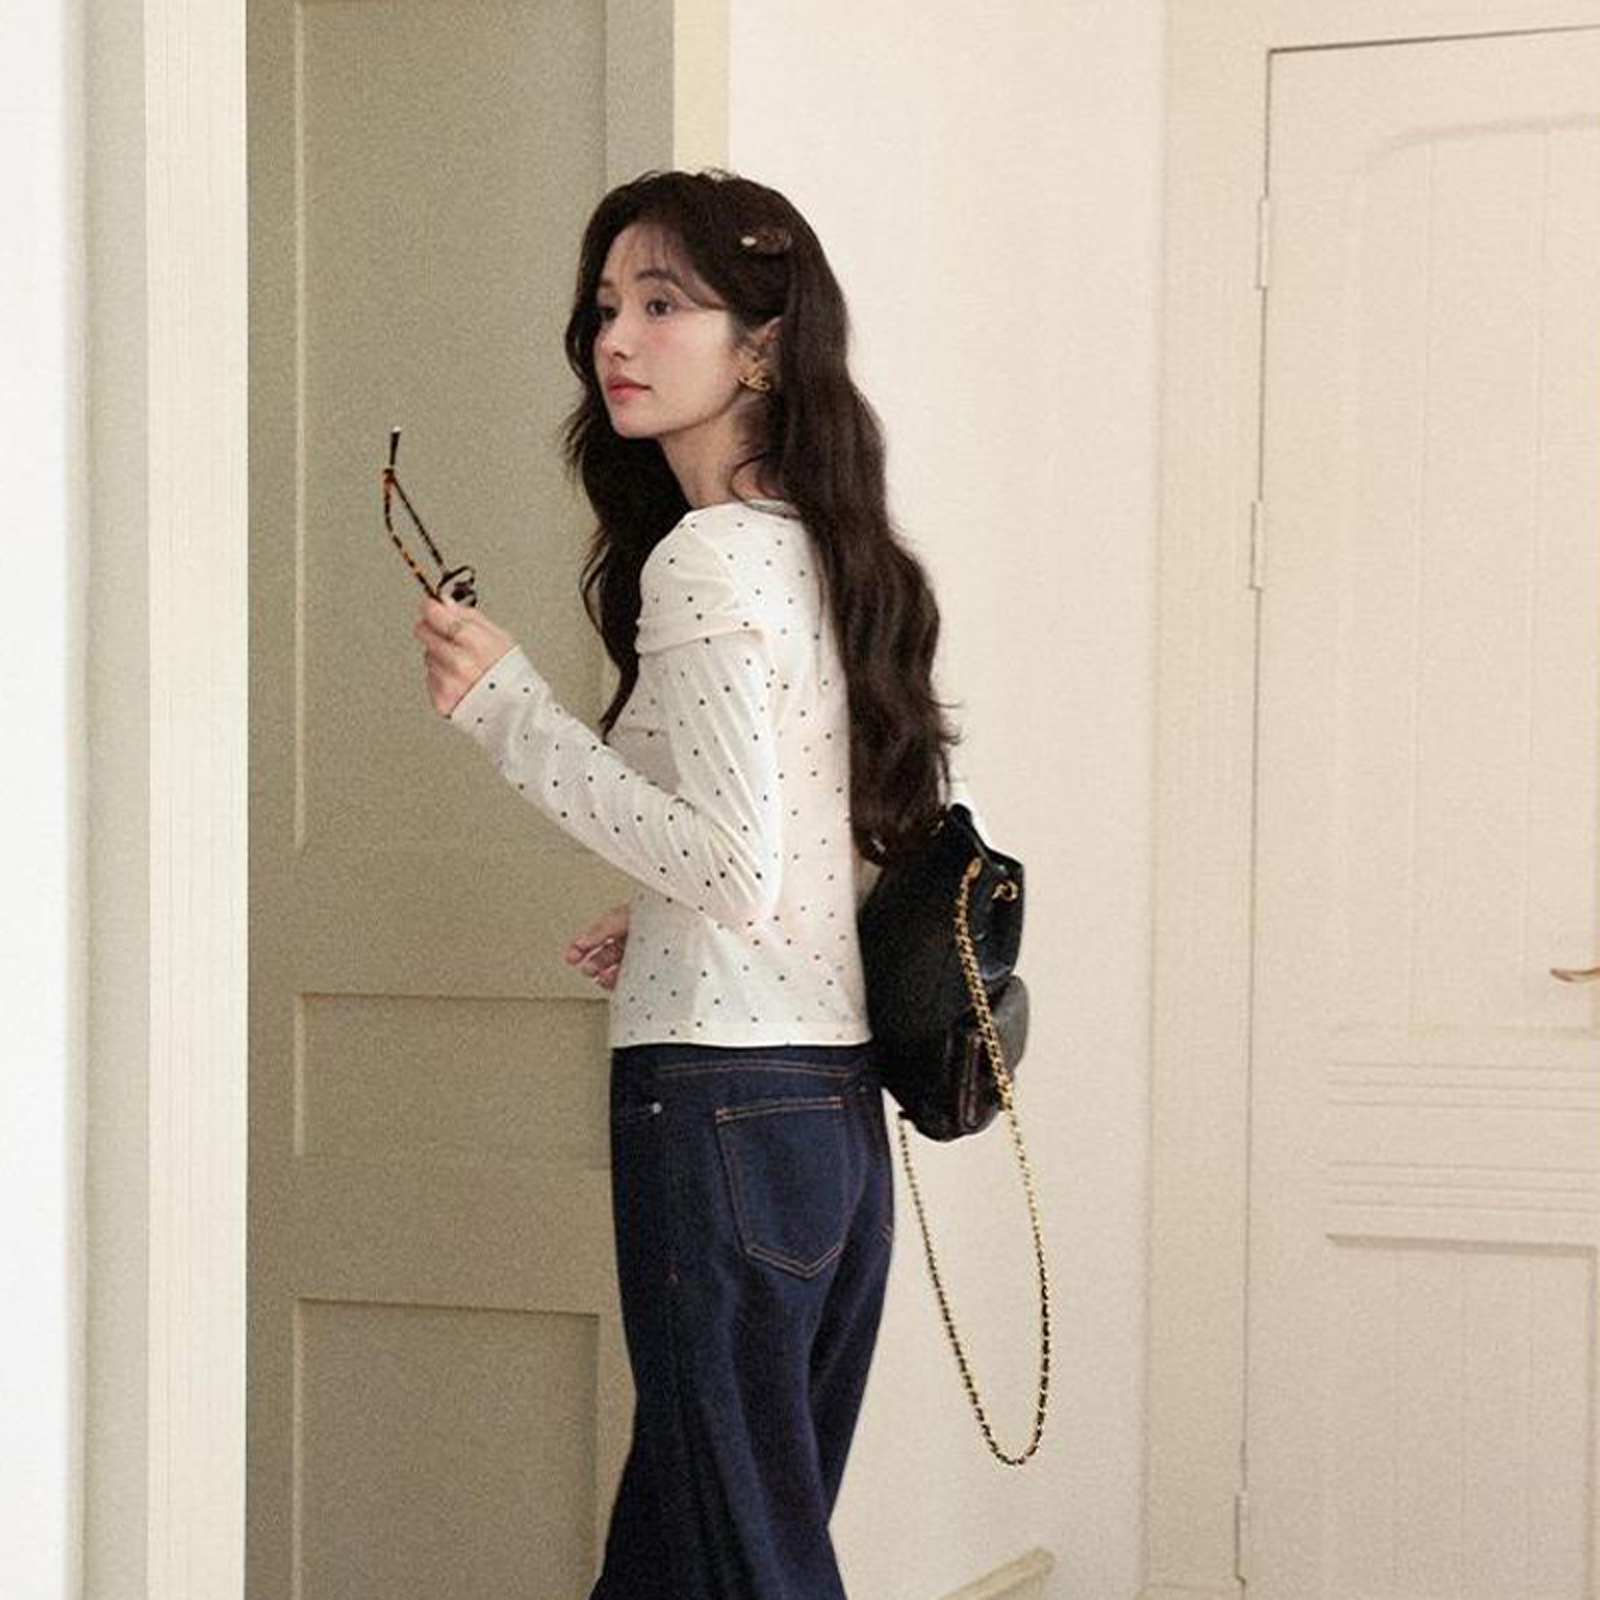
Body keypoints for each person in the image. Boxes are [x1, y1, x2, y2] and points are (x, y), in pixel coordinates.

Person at [411, 167, 963, 1599]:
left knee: (740, 1558)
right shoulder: (825, 553)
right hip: (825, 1111)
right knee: (687, 1549)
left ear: (761, 344)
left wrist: (505, 708)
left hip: (721, 1102)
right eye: (606, 306)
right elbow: (824, 840)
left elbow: (731, 861)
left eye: (664, 304)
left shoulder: (709, 560)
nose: (617, 339)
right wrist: (653, 909)